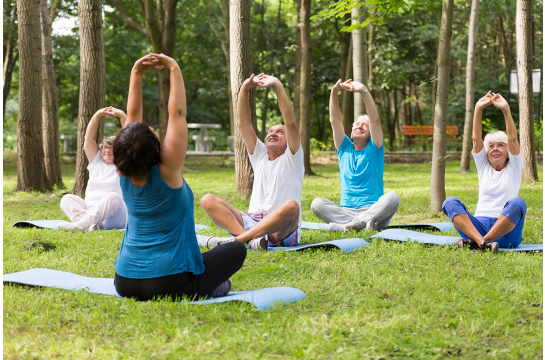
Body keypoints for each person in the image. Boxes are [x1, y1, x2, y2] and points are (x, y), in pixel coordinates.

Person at [112, 53, 245, 301]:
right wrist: (173, 68)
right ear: (155, 146)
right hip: (167, 283)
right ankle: (208, 286)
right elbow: (178, 115)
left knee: (204, 258)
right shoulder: (167, 171)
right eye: (152, 131)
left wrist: (136, 72)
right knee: (236, 249)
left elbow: (131, 123)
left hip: (125, 280)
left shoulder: (123, 170)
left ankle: (203, 281)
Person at [201, 73, 304, 251]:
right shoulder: (260, 155)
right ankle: (249, 240)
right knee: (208, 199)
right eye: (270, 131)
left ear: (289, 141)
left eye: (280, 131)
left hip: (280, 229)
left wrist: (277, 85)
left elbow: (291, 123)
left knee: (292, 207)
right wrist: (244, 88)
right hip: (251, 222)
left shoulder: (292, 158)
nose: (273, 133)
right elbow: (243, 123)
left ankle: (238, 241)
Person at [311, 79, 400, 232]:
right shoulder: (344, 147)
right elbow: (335, 120)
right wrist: (334, 92)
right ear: (351, 131)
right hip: (346, 211)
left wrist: (364, 91)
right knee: (316, 204)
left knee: (393, 197)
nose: (359, 126)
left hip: (374, 211)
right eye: (356, 124)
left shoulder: (374, 148)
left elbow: (375, 120)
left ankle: (349, 227)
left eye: (364, 125)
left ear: (371, 132)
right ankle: (359, 225)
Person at [442, 92, 526, 253]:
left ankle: (478, 242)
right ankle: (483, 242)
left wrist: (506, 110)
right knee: (450, 202)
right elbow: (476, 139)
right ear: (486, 152)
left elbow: (513, 139)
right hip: (477, 227)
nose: (495, 148)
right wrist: (478, 108)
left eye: (500, 145)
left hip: (506, 233)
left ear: (508, 151)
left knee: (518, 203)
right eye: (491, 146)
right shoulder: (483, 167)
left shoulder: (514, 167)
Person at [58, 107, 128, 232]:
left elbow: (130, 142)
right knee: (67, 199)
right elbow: (88, 139)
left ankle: (80, 225)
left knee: (114, 197)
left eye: (112, 147)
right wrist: (97, 115)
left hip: (114, 214)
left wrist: (122, 116)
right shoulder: (97, 162)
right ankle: (92, 226)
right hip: (89, 209)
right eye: (105, 147)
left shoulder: (123, 165)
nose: (107, 150)